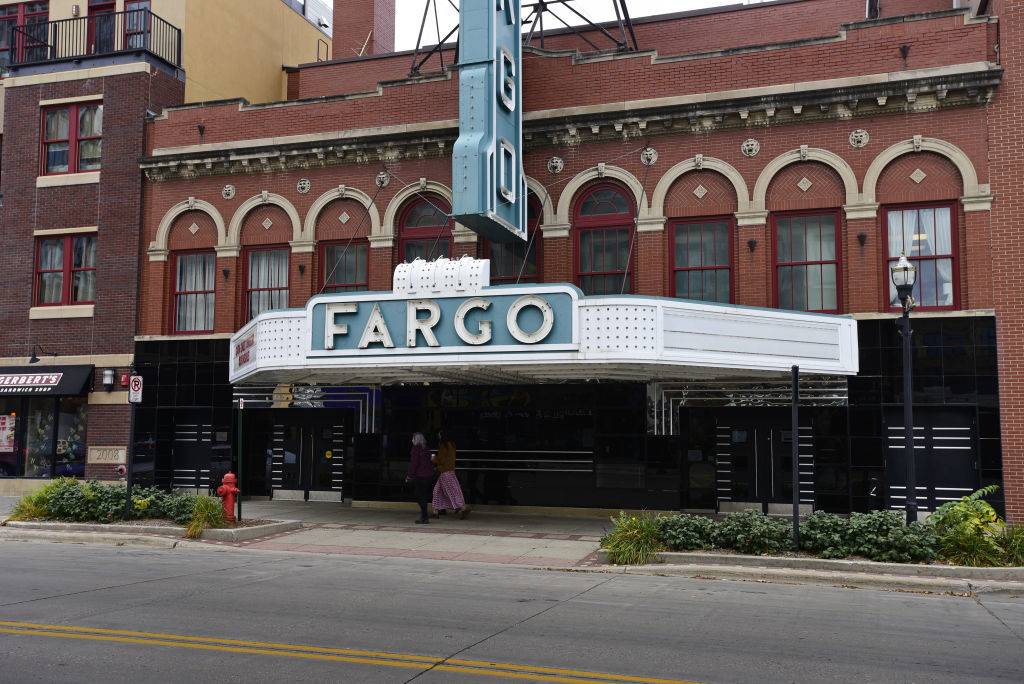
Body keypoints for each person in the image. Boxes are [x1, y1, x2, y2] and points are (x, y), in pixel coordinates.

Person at [432, 429, 469, 519]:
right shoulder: (452, 445)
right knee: (438, 490)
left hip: (445, 472)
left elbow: (441, 459)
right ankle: (435, 511)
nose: (438, 436)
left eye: (439, 434)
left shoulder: (443, 446)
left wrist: (433, 458)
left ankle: (463, 508)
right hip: (450, 471)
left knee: (451, 491)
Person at [405, 432, 434, 524]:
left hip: (420, 476)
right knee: (423, 496)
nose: (412, 440)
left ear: (416, 439)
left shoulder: (415, 449)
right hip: (428, 476)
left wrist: (409, 475)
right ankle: (424, 516)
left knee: (418, 495)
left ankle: (424, 516)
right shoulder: (426, 449)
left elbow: (414, 463)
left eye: (413, 438)